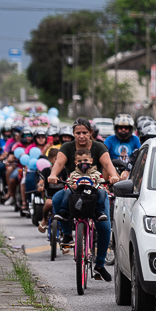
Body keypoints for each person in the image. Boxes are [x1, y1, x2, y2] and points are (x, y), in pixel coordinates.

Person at [48, 118, 120, 280]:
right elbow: (59, 164)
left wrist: (114, 176)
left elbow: (108, 165)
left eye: (85, 133)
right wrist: (53, 175)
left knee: (104, 226)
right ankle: (67, 234)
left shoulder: (99, 147)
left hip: (95, 189)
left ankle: (100, 264)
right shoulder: (67, 147)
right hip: (73, 189)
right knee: (57, 199)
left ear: (91, 133)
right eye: (78, 133)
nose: (81, 136)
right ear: (73, 133)